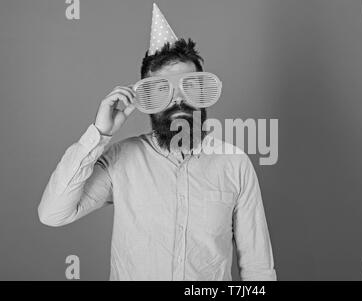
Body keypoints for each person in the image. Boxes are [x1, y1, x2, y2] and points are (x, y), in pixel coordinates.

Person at [38, 4, 276, 281]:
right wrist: (100, 133)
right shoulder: (121, 160)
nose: (178, 100)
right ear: (147, 101)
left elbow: (258, 268)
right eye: (162, 90)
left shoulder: (235, 164)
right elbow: (52, 213)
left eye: (189, 86)